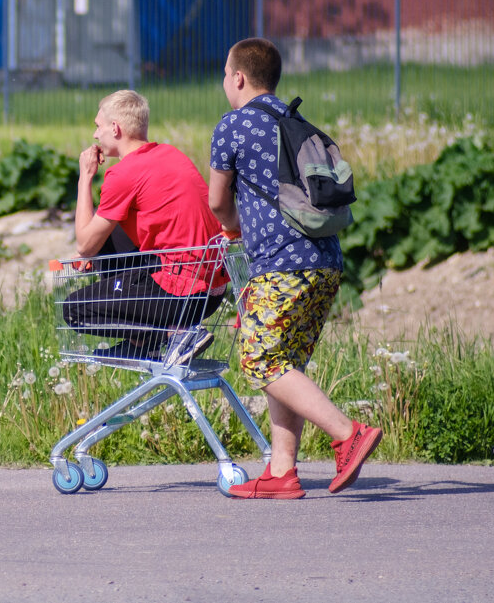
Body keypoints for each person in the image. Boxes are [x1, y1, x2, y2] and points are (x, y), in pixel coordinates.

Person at [208, 37, 381, 498]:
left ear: (238, 77)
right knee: (286, 364)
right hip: (325, 262)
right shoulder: (295, 119)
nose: (225, 81)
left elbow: (217, 202)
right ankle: (282, 472)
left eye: (226, 74)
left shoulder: (232, 126)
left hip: (281, 266)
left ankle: (348, 434)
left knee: (260, 360)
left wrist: (233, 228)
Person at [64, 89, 227, 361]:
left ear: (115, 129)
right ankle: (142, 343)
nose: (95, 135)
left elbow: (84, 243)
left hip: (181, 297)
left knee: (73, 309)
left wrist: (85, 178)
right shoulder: (170, 154)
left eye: (98, 126)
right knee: (109, 231)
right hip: (212, 288)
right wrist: (87, 251)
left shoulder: (124, 173)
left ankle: (176, 335)